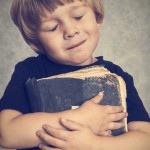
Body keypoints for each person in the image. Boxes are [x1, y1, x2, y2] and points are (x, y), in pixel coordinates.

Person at [0, 0, 149, 150]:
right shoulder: (30, 71)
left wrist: (94, 145)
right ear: (36, 40)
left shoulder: (116, 76)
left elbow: (145, 139)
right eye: (53, 28)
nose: (71, 31)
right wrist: (81, 118)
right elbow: (6, 134)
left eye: (78, 16)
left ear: (97, 17)